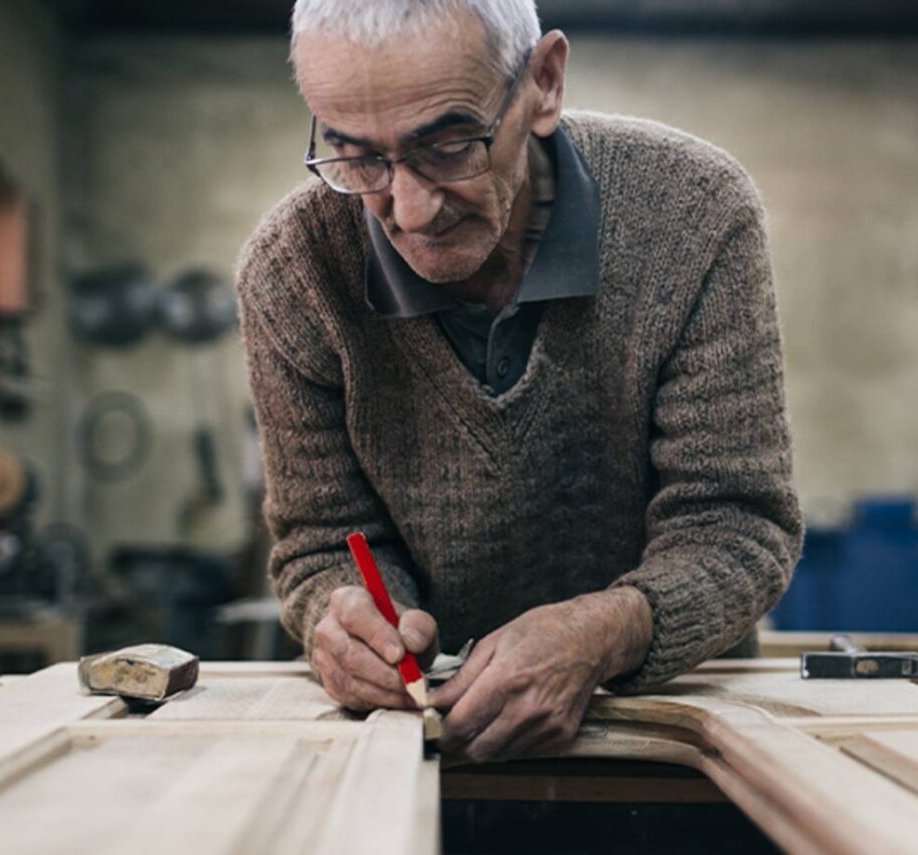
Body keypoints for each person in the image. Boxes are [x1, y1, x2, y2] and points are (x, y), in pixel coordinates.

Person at [236, 0, 801, 763]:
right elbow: (320, 543)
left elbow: (739, 525)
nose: (409, 209)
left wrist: (605, 631)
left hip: (665, 738)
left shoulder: (693, 214)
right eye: (357, 156)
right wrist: (346, 624)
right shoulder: (291, 272)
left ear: (544, 81)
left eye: (448, 147)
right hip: (420, 747)